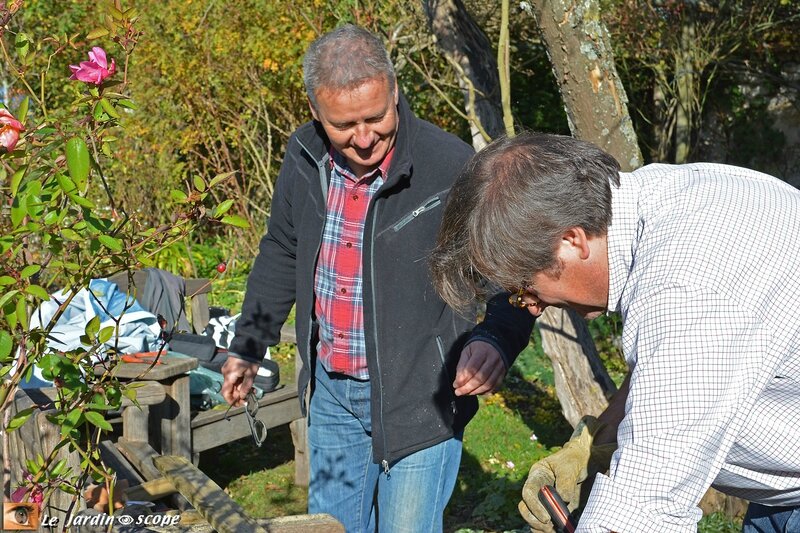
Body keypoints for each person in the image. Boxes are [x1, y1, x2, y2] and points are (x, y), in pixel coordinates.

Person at [220, 25, 534, 533]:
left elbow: (513, 273)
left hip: (423, 401)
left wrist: (497, 338)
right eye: (345, 124)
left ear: (394, 90)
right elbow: (281, 248)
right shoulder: (303, 156)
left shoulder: (449, 164)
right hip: (331, 397)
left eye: (376, 118)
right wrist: (249, 344)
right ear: (315, 112)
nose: (364, 138)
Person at [429, 131, 800, 533]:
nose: (531, 306)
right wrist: (597, 441)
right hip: (777, 501)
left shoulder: (687, 287)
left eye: (523, 288)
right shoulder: (657, 201)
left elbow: (642, 512)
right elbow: (669, 365)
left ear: (572, 241)